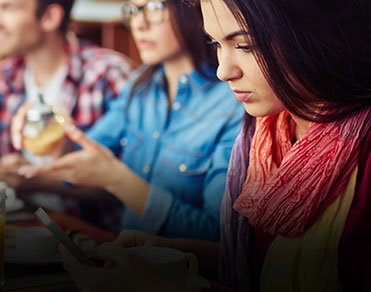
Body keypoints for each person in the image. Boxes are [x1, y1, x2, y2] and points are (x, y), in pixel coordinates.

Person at [45, 0, 371, 291]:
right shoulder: (262, 135)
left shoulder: (358, 154)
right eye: (216, 43)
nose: (223, 71)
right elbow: (255, 260)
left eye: (244, 45)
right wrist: (176, 252)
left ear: (307, 33)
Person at [14, 0, 244, 240]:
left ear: (194, 10)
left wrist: (118, 180)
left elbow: (218, 236)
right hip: (124, 262)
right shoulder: (139, 88)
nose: (139, 24)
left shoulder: (232, 103)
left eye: (154, 8)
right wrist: (46, 123)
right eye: (133, 10)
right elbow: (86, 154)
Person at [0, 0, 135, 229]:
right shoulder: (6, 75)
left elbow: (130, 188)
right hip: (21, 230)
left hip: (90, 240)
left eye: (8, 8)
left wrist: (39, 181)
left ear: (50, 17)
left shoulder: (108, 74)